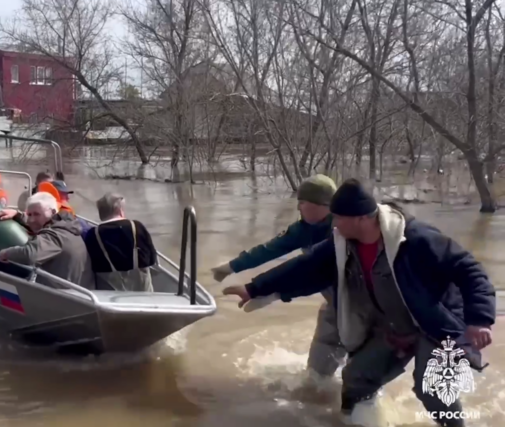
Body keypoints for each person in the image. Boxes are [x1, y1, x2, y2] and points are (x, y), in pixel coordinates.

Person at [222, 179, 496, 427]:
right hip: (392, 324)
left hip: (436, 323)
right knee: (355, 379)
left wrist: (480, 319)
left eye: (339, 217)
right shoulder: (342, 241)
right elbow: (304, 266)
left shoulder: (417, 238)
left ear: (363, 218)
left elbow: (469, 269)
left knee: (433, 389)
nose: (334, 223)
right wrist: (253, 288)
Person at [211, 174, 346, 379]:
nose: (298, 208)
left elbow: (309, 270)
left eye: (302, 203)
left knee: (361, 368)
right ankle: (317, 390)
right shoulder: (303, 229)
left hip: (358, 300)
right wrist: (231, 267)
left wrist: (270, 292)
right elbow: (269, 250)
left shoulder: (343, 229)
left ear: (323, 204)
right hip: (333, 301)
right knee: (317, 371)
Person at [0, 192, 94, 290]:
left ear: (53, 212)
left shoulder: (55, 235)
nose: (31, 220)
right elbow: (38, 224)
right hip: (75, 289)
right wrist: (17, 215)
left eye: (36, 214)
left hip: (65, 297)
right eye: (29, 214)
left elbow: (30, 254)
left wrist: (6, 253)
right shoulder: (65, 225)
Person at [83, 193, 157, 292]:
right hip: (141, 288)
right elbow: (152, 258)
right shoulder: (137, 226)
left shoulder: (93, 234)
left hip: (110, 290)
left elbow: (90, 265)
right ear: (120, 210)